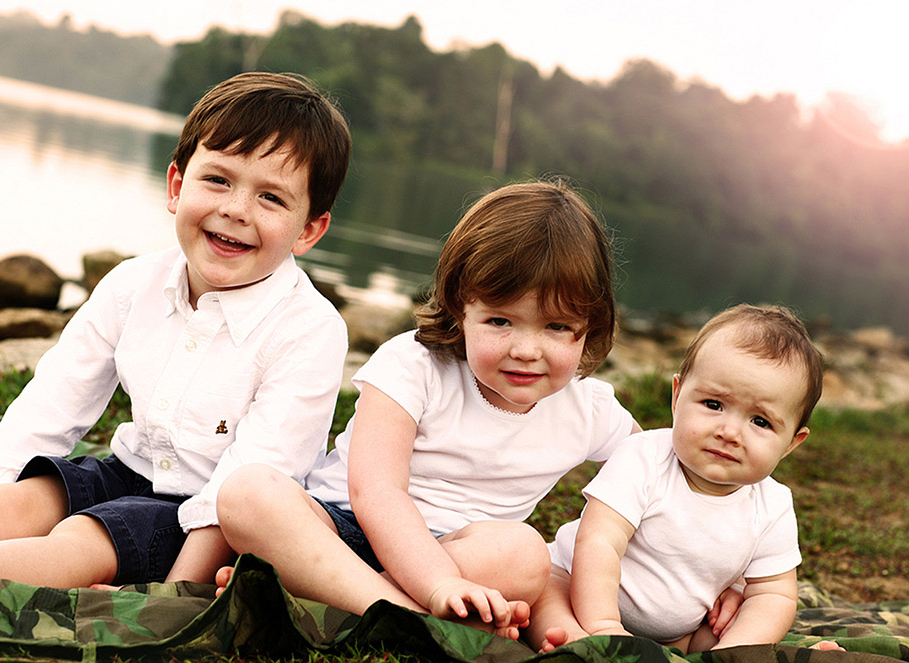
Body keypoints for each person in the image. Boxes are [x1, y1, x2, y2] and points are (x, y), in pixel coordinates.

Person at [0, 71, 352, 589]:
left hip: (210, 521)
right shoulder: (132, 284)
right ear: (177, 186)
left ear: (310, 229)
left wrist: (173, 594)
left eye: (271, 198)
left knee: (83, 542)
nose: (235, 209)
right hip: (128, 469)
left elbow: (254, 477)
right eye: (218, 180)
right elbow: (54, 402)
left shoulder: (310, 330)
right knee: (22, 500)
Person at [213, 179, 642, 637]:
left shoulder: (590, 409)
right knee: (248, 493)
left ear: (589, 325)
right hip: (341, 532)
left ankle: (326, 602)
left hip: (461, 556)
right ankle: (402, 614)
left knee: (525, 553)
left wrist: (729, 578)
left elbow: (662, 473)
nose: (525, 350)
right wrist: (436, 585)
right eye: (500, 321)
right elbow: (376, 492)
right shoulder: (414, 365)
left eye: (557, 327)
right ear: (460, 308)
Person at [530, 304, 825, 653]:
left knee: (731, 630)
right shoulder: (644, 457)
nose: (729, 432)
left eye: (760, 422)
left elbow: (772, 593)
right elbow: (598, 544)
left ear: (792, 442)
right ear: (677, 396)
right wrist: (604, 626)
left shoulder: (772, 505)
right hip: (576, 590)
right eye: (714, 404)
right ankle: (581, 644)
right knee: (547, 595)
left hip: (677, 631)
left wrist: (735, 650)